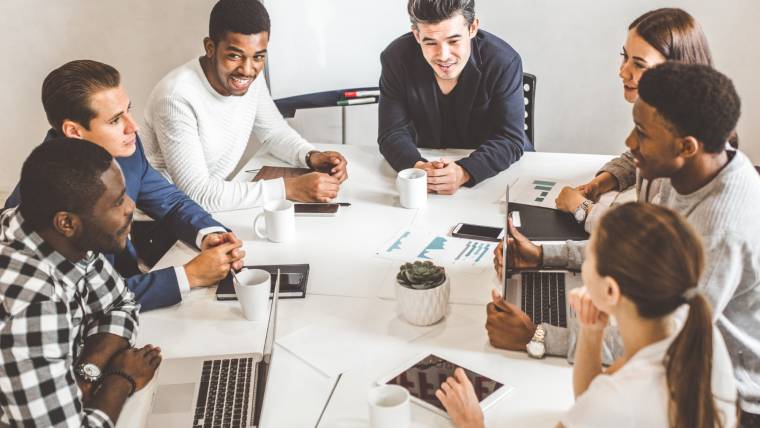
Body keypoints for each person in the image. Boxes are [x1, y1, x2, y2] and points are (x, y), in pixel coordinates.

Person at [489, 62, 760, 425]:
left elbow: (662, 340)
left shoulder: (721, 230)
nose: (630, 144)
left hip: (713, 400)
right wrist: (542, 255)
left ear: (686, 147)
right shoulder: (677, 170)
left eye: (642, 134)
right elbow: (634, 254)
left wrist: (537, 335)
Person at [439, 203, 737, 428]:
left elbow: (596, 405)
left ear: (610, 291)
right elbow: (590, 398)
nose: (582, 266)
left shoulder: (614, 402)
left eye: (590, 256)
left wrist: (472, 423)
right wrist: (591, 333)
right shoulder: (691, 325)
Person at [3, 60, 245, 311]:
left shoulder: (124, 148)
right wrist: (189, 275)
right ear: (74, 131)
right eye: (116, 120)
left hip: (131, 288)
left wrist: (209, 235)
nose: (134, 126)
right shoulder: (45, 206)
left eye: (129, 110)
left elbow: (170, 202)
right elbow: (83, 301)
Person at [0, 138, 162, 426]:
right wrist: (121, 379)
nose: (130, 207)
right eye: (117, 201)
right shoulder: (33, 308)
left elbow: (120, 302)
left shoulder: (53, 233)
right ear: (67, 223)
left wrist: (86, 375)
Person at [141, 0, 348, 212]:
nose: (247, 70)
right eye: (235, 55)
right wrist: (289, 188)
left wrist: (310, 156)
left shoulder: (249, 79)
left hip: (203, 211)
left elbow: (273, 133)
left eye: (258, 57)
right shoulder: (176, 97)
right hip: (160, 221)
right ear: (210, 47)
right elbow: (197, 193)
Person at [554, 8, 715, 230]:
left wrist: (580, 208)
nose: (623, 72)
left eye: (639, 64)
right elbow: (637, 157)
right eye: (625, 57)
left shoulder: (689, 152)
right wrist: (600, 183)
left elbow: (646, 240)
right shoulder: (664, 115)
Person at [378, 0, 531, 195]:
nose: (443, 56)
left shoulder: (503, 61)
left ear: (472, 28)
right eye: (430, 42)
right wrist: (418, 167)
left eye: (453, 41)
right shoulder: (395, 58)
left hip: (498, 175)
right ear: (417, 35)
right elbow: (391, 132)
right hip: (429, 163)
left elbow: (510, 138)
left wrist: (464, 171)